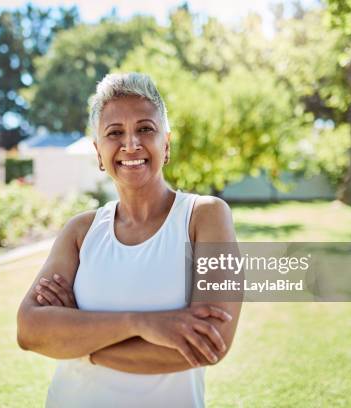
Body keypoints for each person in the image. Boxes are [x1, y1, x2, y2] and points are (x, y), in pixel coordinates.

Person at [16, 72, 242, 407]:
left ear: (165, 144)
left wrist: (76, 340)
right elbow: (29, 330)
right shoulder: (80, 232)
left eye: (145, 129)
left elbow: (210, 344)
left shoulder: (205, 217)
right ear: (98, 152)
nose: (131, 144)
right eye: (115, 133)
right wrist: (142, 323)